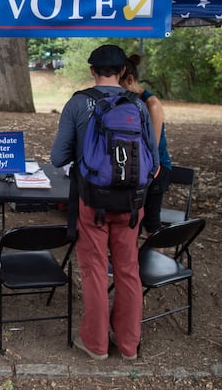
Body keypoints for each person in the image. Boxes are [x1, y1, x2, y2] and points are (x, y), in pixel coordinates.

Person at [51, 45, 159, 361]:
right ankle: (128, 345)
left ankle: (96, 344)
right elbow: (152, 161)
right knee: (128, 270)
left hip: (92, 202)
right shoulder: (138, 106)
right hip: (131, 203)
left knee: (95, 269)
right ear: (124, 72)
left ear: (92, 71)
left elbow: (58, 158)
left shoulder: (78, 103)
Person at [120, 54, 172, 237]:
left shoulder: (152, 104)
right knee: (131, 222)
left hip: (155, 168)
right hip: (134, 167)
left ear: (130, 79)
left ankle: (158, 264)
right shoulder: (126, 102)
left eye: (120, 87)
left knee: (152, 224)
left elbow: (153, 146)